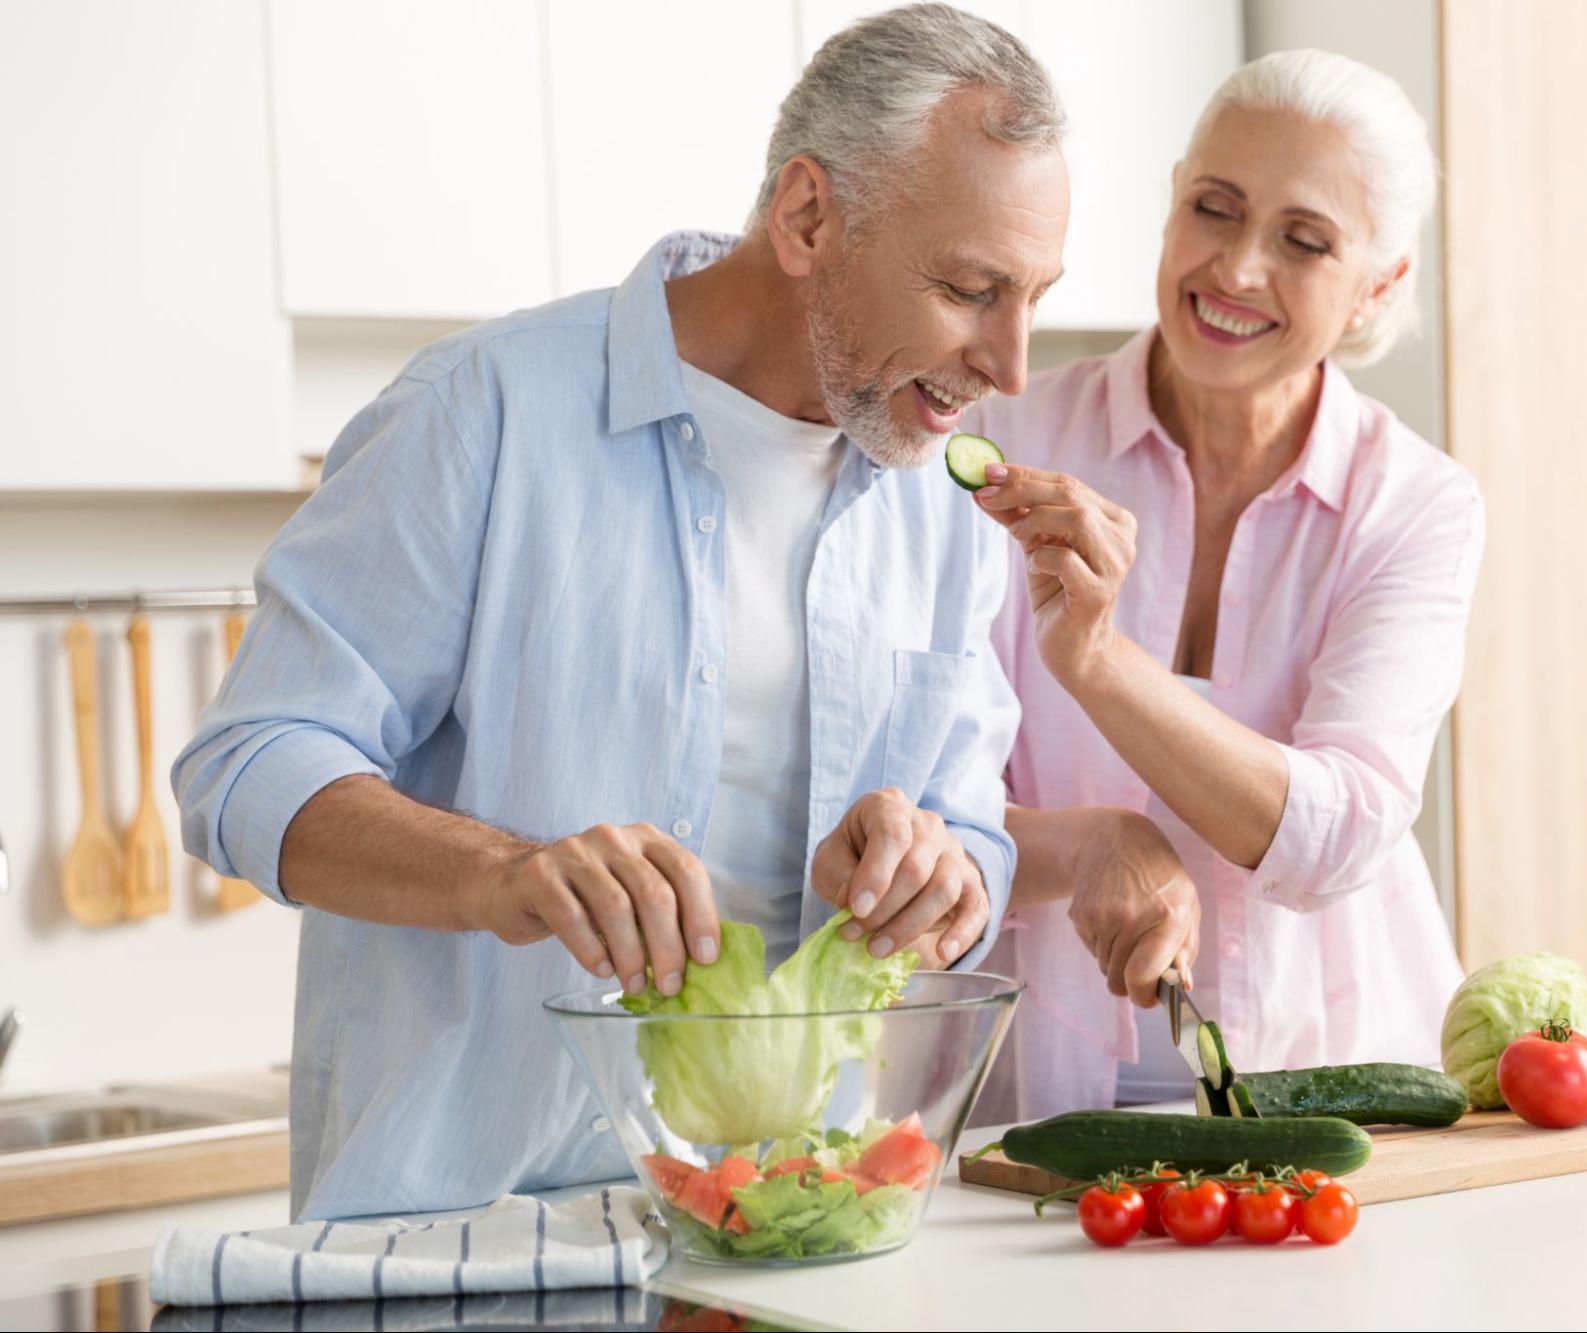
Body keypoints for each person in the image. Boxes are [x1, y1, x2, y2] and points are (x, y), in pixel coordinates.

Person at [172, 4, 1068, 1220]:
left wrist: (941, 871)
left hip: (791, 1225)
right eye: (969, 290)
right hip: (468, 1231)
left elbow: (973, 827)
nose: (1010, 364)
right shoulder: (480, 411)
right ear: (808, 217)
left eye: (1033, 297)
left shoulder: (940, 502)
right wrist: (504, 873)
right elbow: (245, 767)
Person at [965, 49, 1484, 1119]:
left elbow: (1339, 836)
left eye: (1304, 240)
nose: (1238, 268)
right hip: (1041, 1093)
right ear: (1171, 204)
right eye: (1215, 207)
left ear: (1377, 285)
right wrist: (1096, 844)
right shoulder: (1004, 439)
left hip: (1340, 1087)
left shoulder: (1414, 505)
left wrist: (1097, 660)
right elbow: (933, 802)